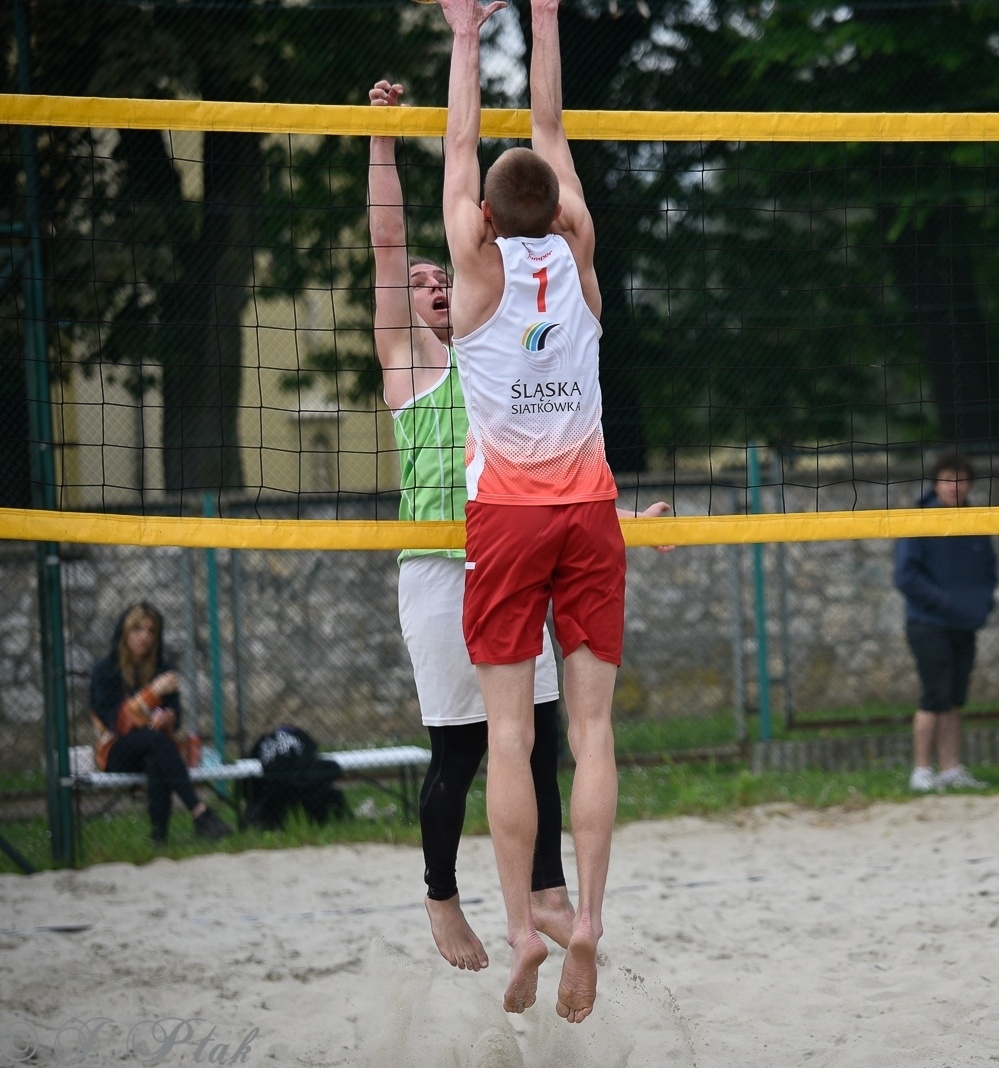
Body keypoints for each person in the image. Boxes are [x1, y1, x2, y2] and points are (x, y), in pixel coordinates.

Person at [439, 0, 637, 1023]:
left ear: (483, 218)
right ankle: (589, 916)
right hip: (590, 508)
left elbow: (466, 140)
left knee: (510, 738)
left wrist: (467, 34)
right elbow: (546, 133)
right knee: (592, 731)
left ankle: (522, 927)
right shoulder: (582, 259)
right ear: (559, 211)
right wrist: (545, 17)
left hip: (509, 522)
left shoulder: (474, 272)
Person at [367, 78, 576, 974]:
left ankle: (544, 888)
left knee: (544, 738)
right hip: (439, 570)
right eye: (416, 282)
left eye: (437, 272)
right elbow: (385, 243)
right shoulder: (409, 364)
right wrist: (381, 139)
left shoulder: (501, 341)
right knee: (458, 749)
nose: (426, 283)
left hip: (513, 556)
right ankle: (442, 896)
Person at [89, 602, 234, 847]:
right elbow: (117, 723)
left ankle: (160, 838)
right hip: (115, 750)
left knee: (155, 755)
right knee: (155, 742)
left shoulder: (162, 668)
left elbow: (175, 719)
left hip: (153, 746)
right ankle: (199, 811)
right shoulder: (106, 671)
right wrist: (152, 693)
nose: (144, 637)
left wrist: (166, 719)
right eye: (137, 629)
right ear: (125, 632)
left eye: (150, 631)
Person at [894, 451, 997, 792]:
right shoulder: (919, 520)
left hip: (964, 624)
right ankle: (922, 771)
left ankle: (951, 769)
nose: (955, 487)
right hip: (928, 624)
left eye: (961, 480)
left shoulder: (977, 521)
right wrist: (946, 603)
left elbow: (987, 572)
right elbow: (906, 576)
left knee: (954, 699)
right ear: (935, 483)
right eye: (947, 480)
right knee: (934, 697)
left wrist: (980, 607)